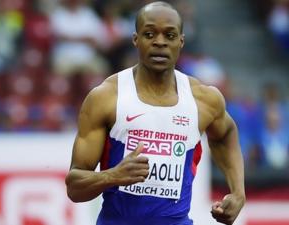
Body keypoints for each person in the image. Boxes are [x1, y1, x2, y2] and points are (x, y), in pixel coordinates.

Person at [65, 2, 245, 225]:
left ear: (181, 42)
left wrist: (238, 192)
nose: (160, 42)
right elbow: (74, 186)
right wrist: (111, 176)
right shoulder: (106, 98)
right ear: (136, 39)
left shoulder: (203, 99)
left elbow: (226, 135)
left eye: (169, 35)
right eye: (149, 34)